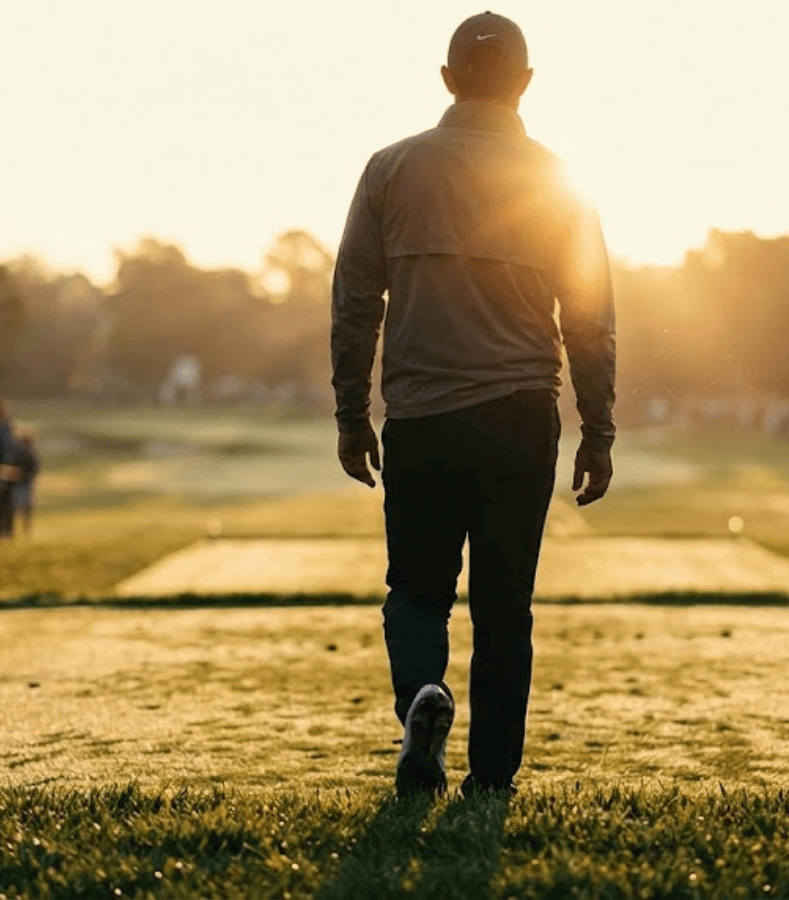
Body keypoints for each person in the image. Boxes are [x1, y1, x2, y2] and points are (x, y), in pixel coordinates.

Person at [331, 11, 616, 798]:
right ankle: (491, 779)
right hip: (521, 415)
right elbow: (589, 319)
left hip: (422, 417)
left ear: (448, 79)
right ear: (525, 83)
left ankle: (422, 696)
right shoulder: (558, 181)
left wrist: (352, 416)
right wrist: (598, 431)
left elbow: (355, 304)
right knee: (504, 608)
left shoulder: (390, 169)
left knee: (417, 592)